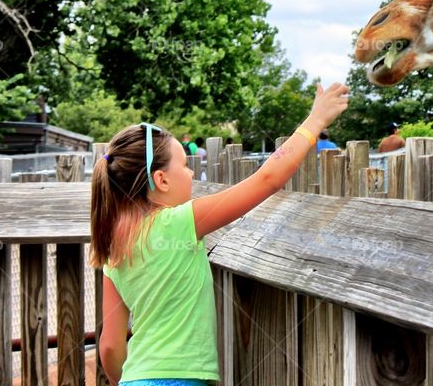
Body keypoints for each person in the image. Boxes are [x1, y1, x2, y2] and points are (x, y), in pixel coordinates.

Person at [91, 83, 349, 385]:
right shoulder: (181, 222)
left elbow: (109, 346)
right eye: (185, 166)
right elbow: (268, 179)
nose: (190, 174)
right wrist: (315, 121)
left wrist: (134, 379)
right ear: (161, 179)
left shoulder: (114, 248)